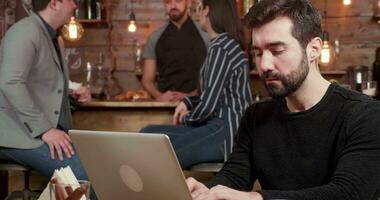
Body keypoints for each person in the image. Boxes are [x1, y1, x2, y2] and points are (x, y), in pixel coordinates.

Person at [186, 0, 380, 199]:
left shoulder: (365, 115)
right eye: (258, 53)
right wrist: (205, 191)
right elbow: (234, 176)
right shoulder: (256, 116)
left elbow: (348, 193)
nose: (265, 64)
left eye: (277, 50)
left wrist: (257, 198)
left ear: (314, 49)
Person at [0, 0, 97, 199]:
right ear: (54, 3)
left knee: (99, 166)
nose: (75, 6)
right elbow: (10, 83)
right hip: (15, 136)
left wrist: (72, 95)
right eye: (71, 1)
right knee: (86, 178)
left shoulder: (55, 38)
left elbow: (43, 88)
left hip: (35, 133)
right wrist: (45, 129)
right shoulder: (25, 32)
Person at [141, 0, 253, 169]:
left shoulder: (221, 48)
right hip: (215, 127)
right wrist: (187, 101)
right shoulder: (222, 45)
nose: (198, 13)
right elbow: (211, 95)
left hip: (225, 132)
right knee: (147, 134)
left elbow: (208, 106)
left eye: (200, 9)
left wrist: (185, 118)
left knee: (163, 157)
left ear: (207, 11)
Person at [142, 0, 209, 101]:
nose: (173, 6)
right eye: (168, 2)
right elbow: (147, 80)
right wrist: (160, 96)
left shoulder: (205, 34)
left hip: (198, 106)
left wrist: (190, 96)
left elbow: (215, 76)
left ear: (189, 3)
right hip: (164, 108)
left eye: (178, 1)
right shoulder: (154, 37)